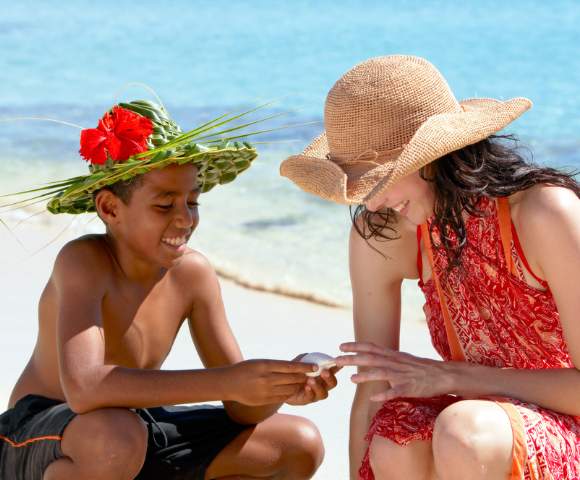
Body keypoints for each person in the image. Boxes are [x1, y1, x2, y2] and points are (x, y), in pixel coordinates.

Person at [0, 100, 337, 480]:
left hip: (132, 429)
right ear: (110, 208)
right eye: (164, 205)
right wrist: (233, 380)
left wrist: (277, 389)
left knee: (297, 442)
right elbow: (85, 389)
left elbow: (239, 406)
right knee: (115, 438)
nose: (185, 218)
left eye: (192, 202)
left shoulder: (192, 274)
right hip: (43, 435)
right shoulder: (84, 261)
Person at [280, 55, 580, 479]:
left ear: (431, 157)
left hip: (561, 429)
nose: (371, 203)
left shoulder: (544, 213)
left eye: (379, 181)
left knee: (464, 430)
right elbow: (374, 385)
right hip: (481, 427)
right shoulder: (383, 233)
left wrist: (451, 376)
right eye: (359, 186)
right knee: (396, 436)